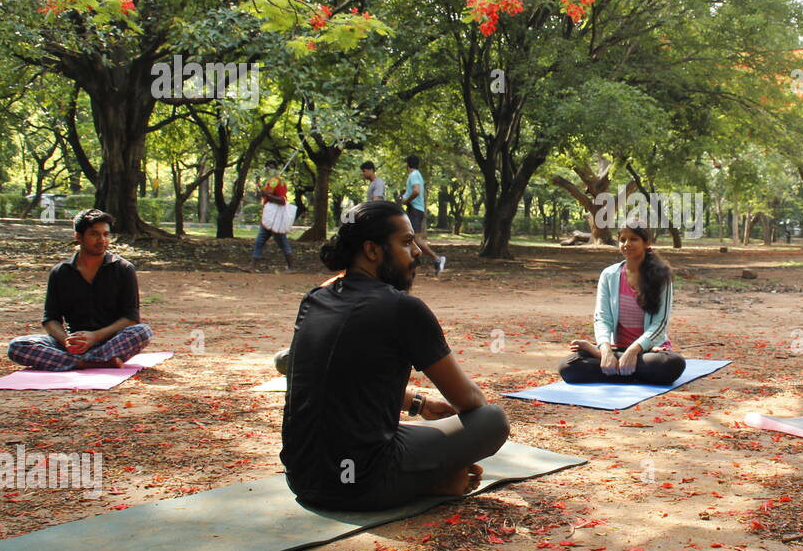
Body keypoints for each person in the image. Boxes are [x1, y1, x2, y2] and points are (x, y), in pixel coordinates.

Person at [279, 201, 509, 511]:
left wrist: (420, 403)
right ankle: (435, 481)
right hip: (362, 485)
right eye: (406, 242)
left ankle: (433, 477)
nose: (417, 252)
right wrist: (459, 449)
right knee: (492, 420)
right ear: (372, 250)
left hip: (302, 478)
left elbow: (345, 375)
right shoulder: (403, 308)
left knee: (372, 431)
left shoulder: (315, 298)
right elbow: (469, 400)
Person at [7, 209, 153, 370]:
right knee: (17, 346)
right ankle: (91, 362)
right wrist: (67, 341)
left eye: (106, 234)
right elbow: (50, 319)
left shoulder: (123, 269)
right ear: (78, 236)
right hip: (72, 343)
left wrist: (95, 337)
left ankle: (75, 361)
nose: (102, 240)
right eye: (94, 234)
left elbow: (131, 318)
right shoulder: (60, 272)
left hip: (109, 341)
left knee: (142, 331)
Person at [559, 221, 686, 386]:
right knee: (568, 367)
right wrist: (605, 351)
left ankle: (613, 366)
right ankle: (624, 368)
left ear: (647, 242)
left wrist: (633, 351)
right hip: (616, 348)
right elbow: (602, 318)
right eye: (622, 239)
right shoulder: (609, 275)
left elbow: (660, 324)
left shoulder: (661, 276)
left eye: (633, 239)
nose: (627, 244)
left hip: (647, 351)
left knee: (671, 365)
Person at [249, 164, 293, 272]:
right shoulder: (270, 181)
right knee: (260, 241)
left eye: (271, 167)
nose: (269, 170)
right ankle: (252, 267)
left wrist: (266, 195)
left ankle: (292, 267)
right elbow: (266, 195)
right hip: (269, 217)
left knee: (282, 241)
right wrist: (263, 193)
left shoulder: (278, 181)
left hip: (276, 217)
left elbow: (282, 201)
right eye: (267, 168)